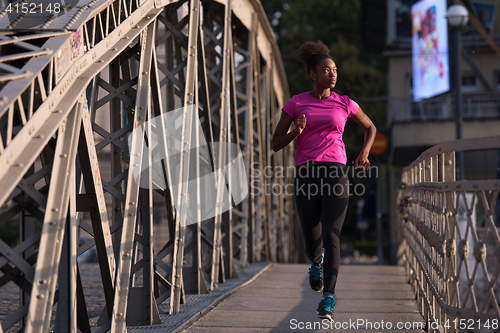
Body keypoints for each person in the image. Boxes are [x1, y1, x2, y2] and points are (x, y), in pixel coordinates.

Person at [271, 40, 376, 322]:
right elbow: (274, 143)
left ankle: (328, 298)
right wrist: (295, 132)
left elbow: (370, 127)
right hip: (306, 174)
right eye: (326, 70)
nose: (333, 74)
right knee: (311, 239)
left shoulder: (344, 103)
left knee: (332, 234)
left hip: (335, 173)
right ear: (312, 74)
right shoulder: (295, 103)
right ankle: (315, 263)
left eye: (335, 69)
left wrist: (364, 152)